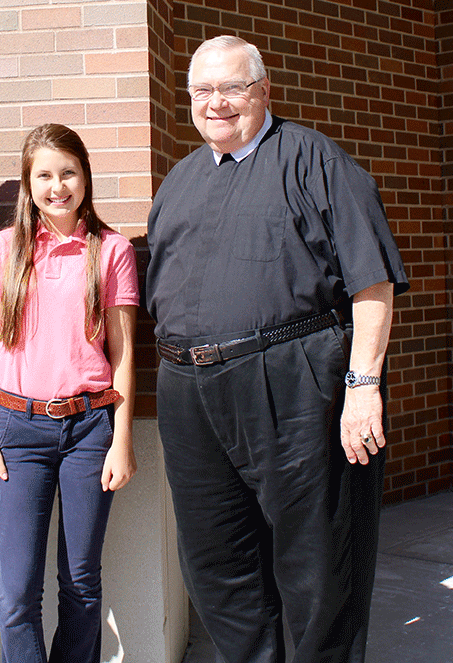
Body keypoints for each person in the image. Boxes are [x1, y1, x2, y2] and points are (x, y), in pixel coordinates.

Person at [147, 35, 408, 663]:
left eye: (232, 87)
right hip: (190, 393)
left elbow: (372, 282)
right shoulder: (180, 181)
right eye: (202, 91)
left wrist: (362, 387)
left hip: (291, 381)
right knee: (216, 562)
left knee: (318, 558)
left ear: (263, 90)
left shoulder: (316, 161)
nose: (217, 103)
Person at [0, 123, 138, 663]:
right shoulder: (4, 249)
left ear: (85, 176)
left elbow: (123, 353)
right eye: (44, 175)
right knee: (18, 590)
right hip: (19, 434)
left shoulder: (110, 250)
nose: (57, 186)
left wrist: (122, 440)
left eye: (68, 172)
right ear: (28, 183)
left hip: (90, 429)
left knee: (81, 582)